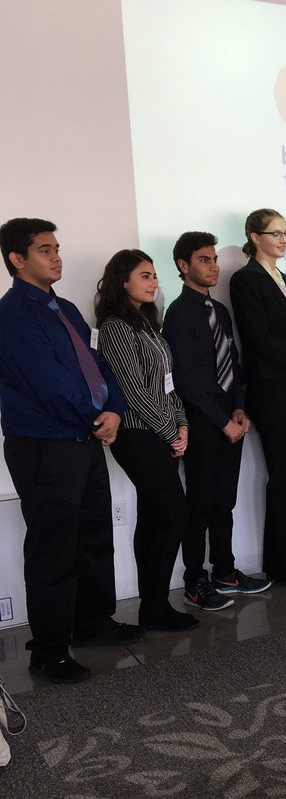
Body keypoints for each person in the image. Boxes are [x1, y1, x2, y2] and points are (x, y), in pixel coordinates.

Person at [0, 218, 141, 682]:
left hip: (83, 440)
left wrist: (115, 409)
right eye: (45, 250)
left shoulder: (65, 309)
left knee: (94, 537)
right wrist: (95, 419)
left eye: (57, 248)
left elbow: (98, 367)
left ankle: (93, 622)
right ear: (17, 259)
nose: (56, 257)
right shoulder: (13, 314)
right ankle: (49, 650)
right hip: (45, 446)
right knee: (54, 548)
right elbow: (49, 384)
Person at [162, 232, 270, 610]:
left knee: (224, 501)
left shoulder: (219, 310)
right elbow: (184, 379)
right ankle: (196, 580)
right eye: (204, 260)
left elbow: (232, 365)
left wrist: (239, 409)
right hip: (202, 420)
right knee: (200, 504)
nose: (213, 266)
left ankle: (225, 570)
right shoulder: (179, 313)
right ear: (183, 265)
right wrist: (221, 421)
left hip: (228, 418)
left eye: (214, 259)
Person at [96, 250, 197, 630]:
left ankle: (152, 606)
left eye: (154, 275)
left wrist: (182, 425)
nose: (154, 282)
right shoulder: (114, 328)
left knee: (156, 516)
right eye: (144, 275)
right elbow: (133, 391)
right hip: (137, 434)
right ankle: (154, 604)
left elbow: (169, 386)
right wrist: (171, 433)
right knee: (174, 513)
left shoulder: (148, 326)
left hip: (163, 433)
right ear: (123, 281)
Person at [229, 209, 286, 586]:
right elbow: (259, 337)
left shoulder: (285, 278)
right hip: (269, 388)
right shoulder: (245, 279)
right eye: (275, 233)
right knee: (284, 475)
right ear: (255, 237)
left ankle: (284, 562)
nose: (283, 239)